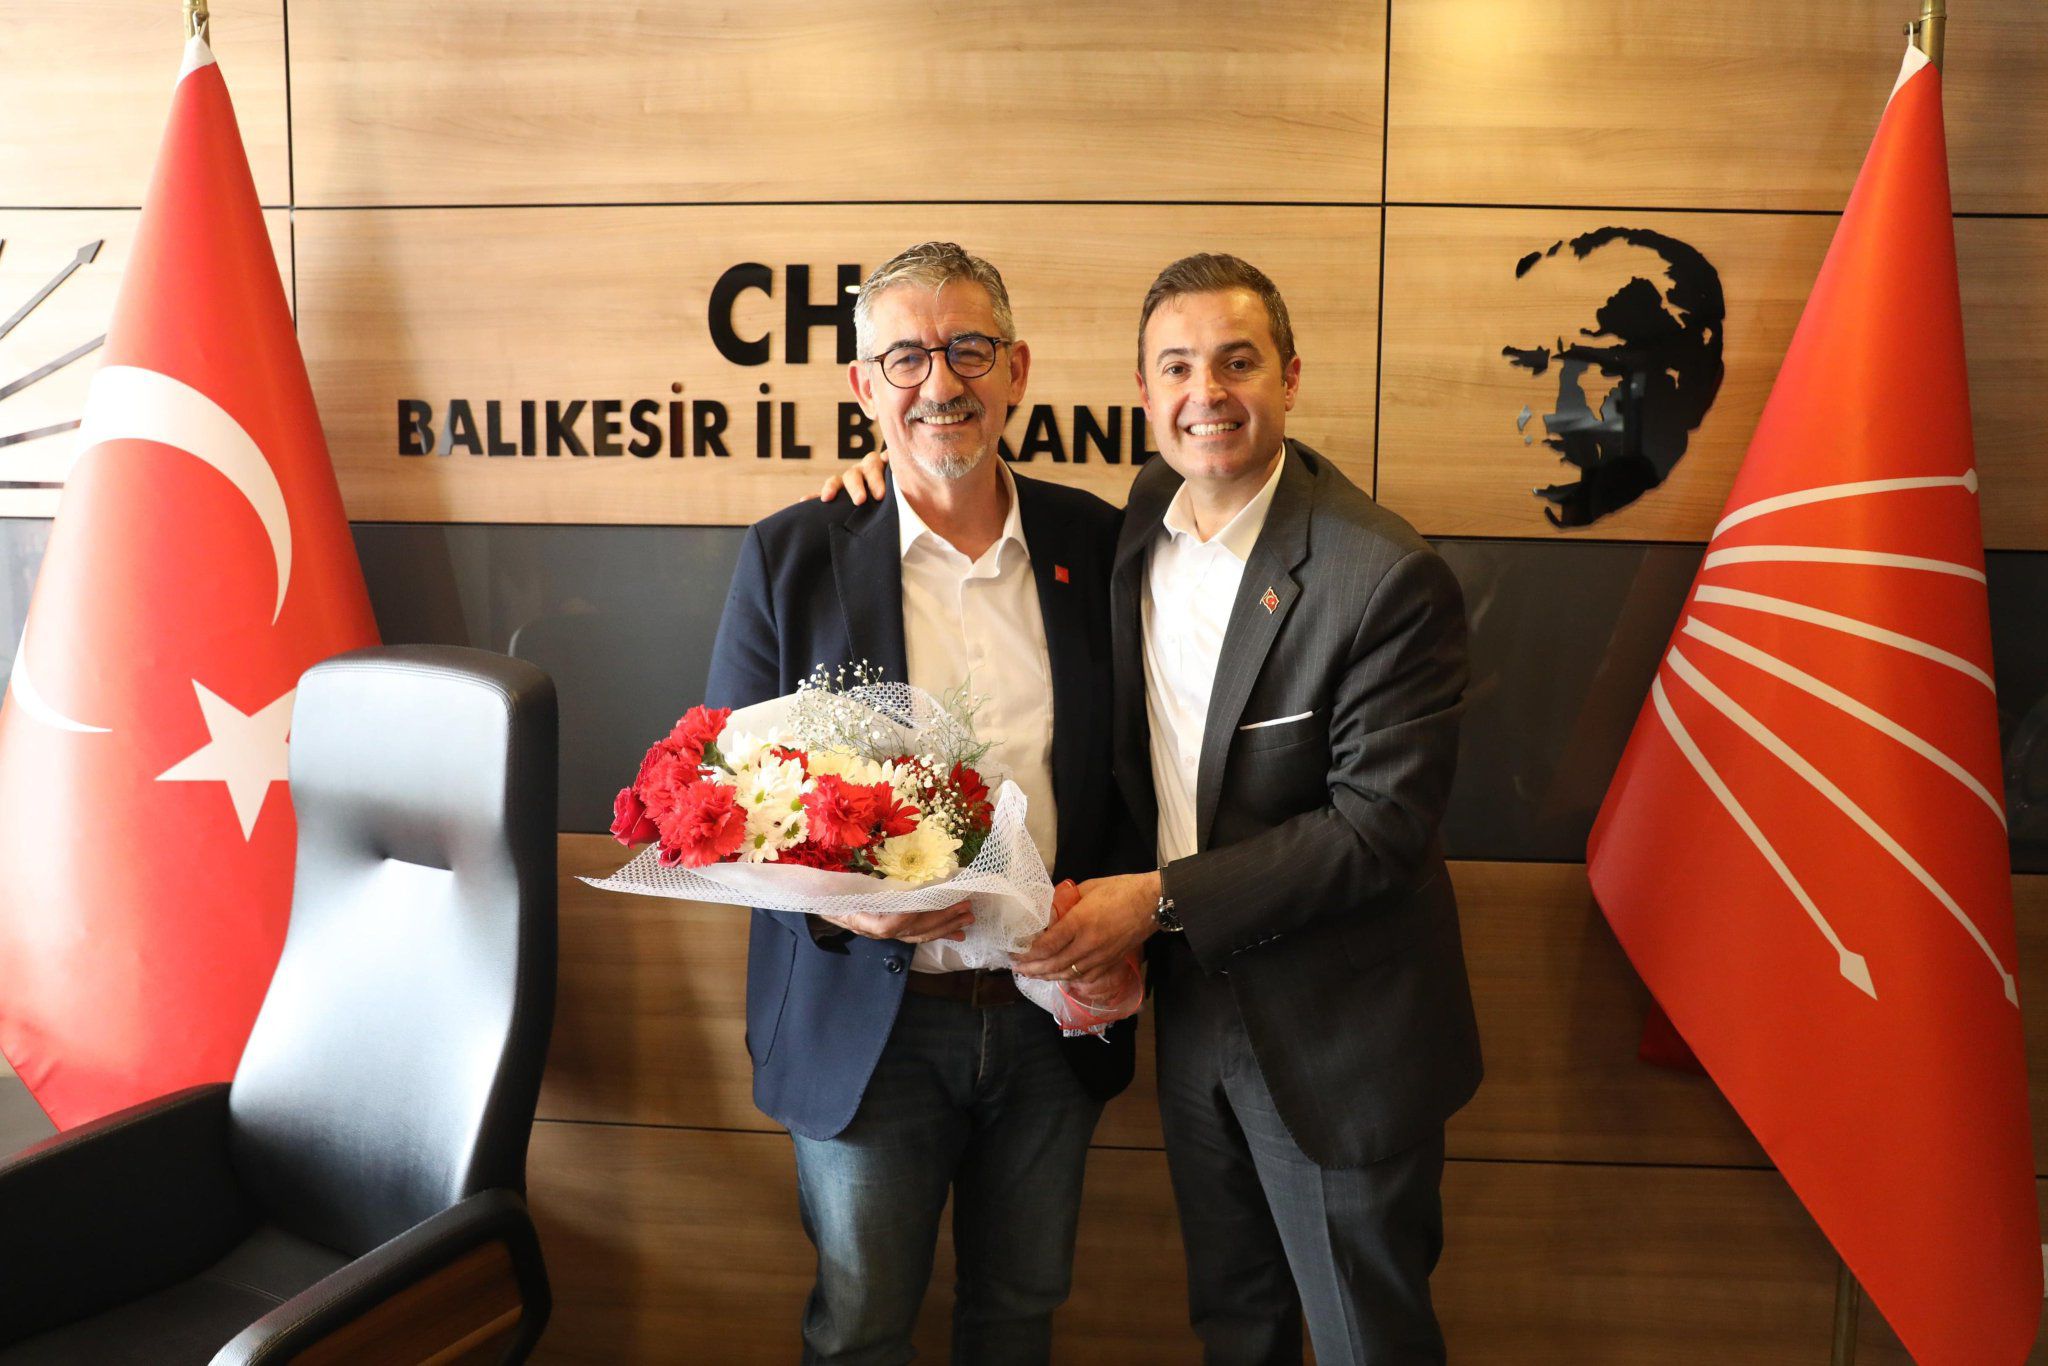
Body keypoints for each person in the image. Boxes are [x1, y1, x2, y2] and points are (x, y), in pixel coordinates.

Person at [825, 252, 1481, 1365]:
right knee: (1234, 1323)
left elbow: (1378, 831)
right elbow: (939, 458)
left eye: (1237, 363)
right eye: (1175, 367)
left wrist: (1157, 900)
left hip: (1337, 1031)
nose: (1204, 394)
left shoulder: (1380, 574)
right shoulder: (1131, 528)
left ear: (1289, 377)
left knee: (1366, 1340)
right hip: (1191, 1014)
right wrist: (880, 467)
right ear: (1142, 393)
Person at [706, 240, 1138, 1366]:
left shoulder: (1098, 546)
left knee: (1019, 1316)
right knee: (859, 1328)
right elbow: (722, 801)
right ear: (863, 385)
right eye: (905, 357)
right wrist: (848, 910)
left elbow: (1143, 766)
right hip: (868, 1026)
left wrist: (1139, 935)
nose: (938, 381)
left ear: (1015, 370)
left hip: (1048, 1020)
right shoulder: (794, 555)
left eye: (967, 349)